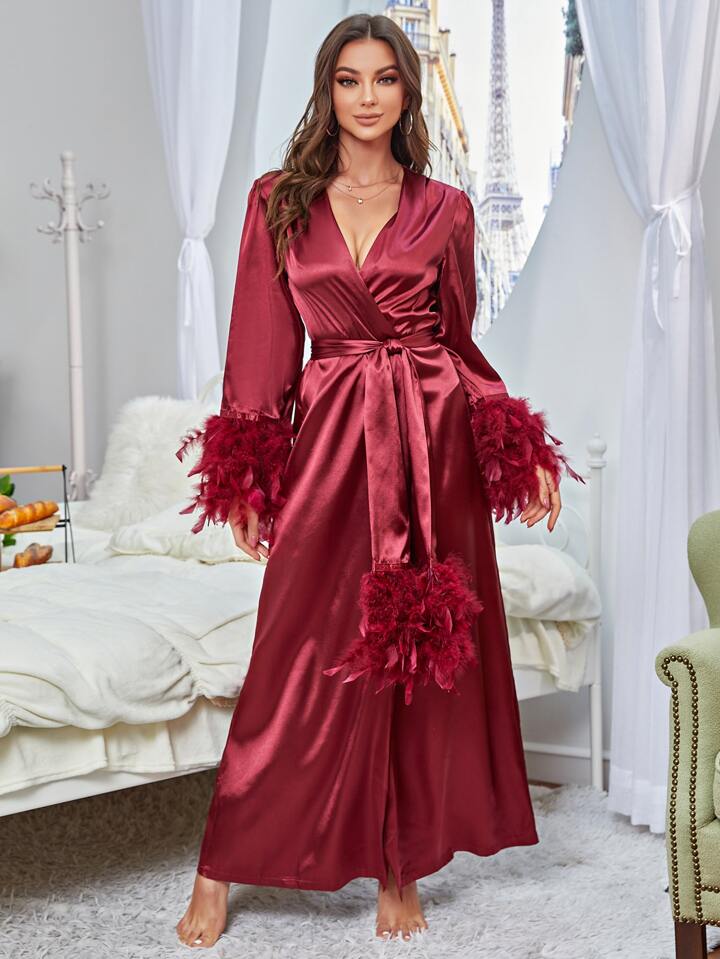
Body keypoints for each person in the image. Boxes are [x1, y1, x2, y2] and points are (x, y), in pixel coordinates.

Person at [174, 12, 583, 948]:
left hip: (431, 449)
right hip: (329, 447)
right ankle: (219, 860)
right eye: (349, 79)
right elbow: (260, 347)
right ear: (327, 90)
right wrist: (248, 474)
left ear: (407, 90)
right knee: (290, 654)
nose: (367, 97)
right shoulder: (278, 201)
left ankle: (400, 864)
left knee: (413, 662)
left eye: (385, 79)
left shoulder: (447, 208)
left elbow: (460, 343)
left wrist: (517, 444)